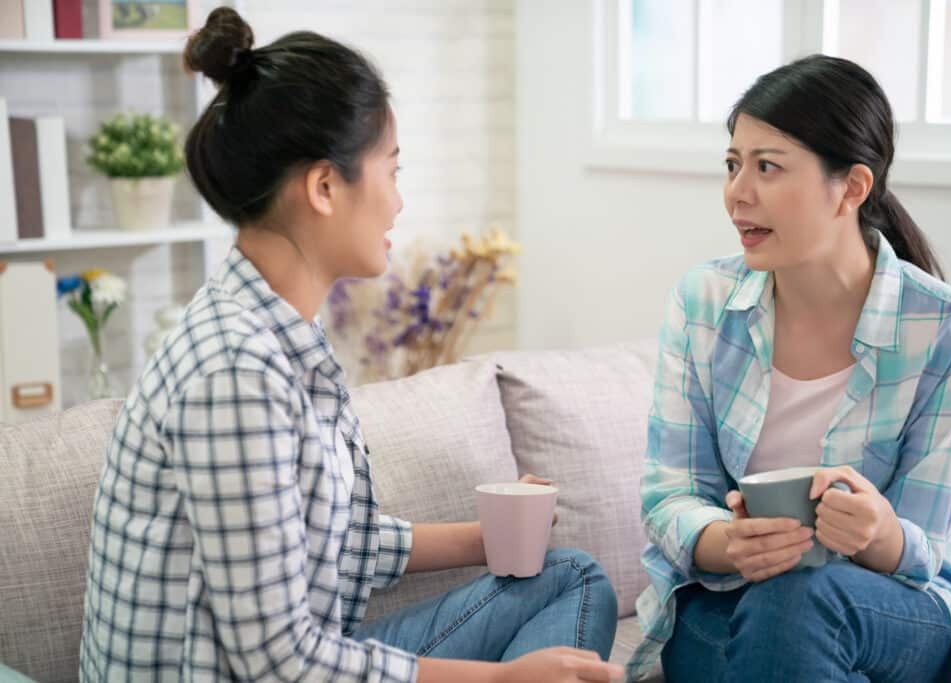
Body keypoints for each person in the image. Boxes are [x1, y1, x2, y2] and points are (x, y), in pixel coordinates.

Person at [79, 8, 623, 682]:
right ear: (325, 186)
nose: (398, 202)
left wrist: (485, 539)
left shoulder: (278, 332)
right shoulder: (234, 375)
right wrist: (500, 678)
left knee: (570, 575)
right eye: (391, 171)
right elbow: (279, 663)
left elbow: (333, 540)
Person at [627, 55, 951, 682]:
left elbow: (925, 545)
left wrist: (877, 532)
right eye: (733, 164)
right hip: (732, 599)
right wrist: (730, 544)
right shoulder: (703, 303)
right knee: (775, 618)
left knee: (797, 601)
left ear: (852, 187)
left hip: (894, 608)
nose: (737, 192)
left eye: (768, 166)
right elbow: (671, 494)